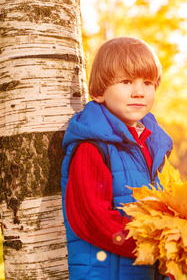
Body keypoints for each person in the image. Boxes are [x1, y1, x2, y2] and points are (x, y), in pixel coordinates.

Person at [60, 37, 173, 280]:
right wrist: (154, 247)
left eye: (148, 82)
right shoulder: (92, 147)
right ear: (99, 92)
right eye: (126, 81)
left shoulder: (152, 147)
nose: (139, 91)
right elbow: (92, 219)